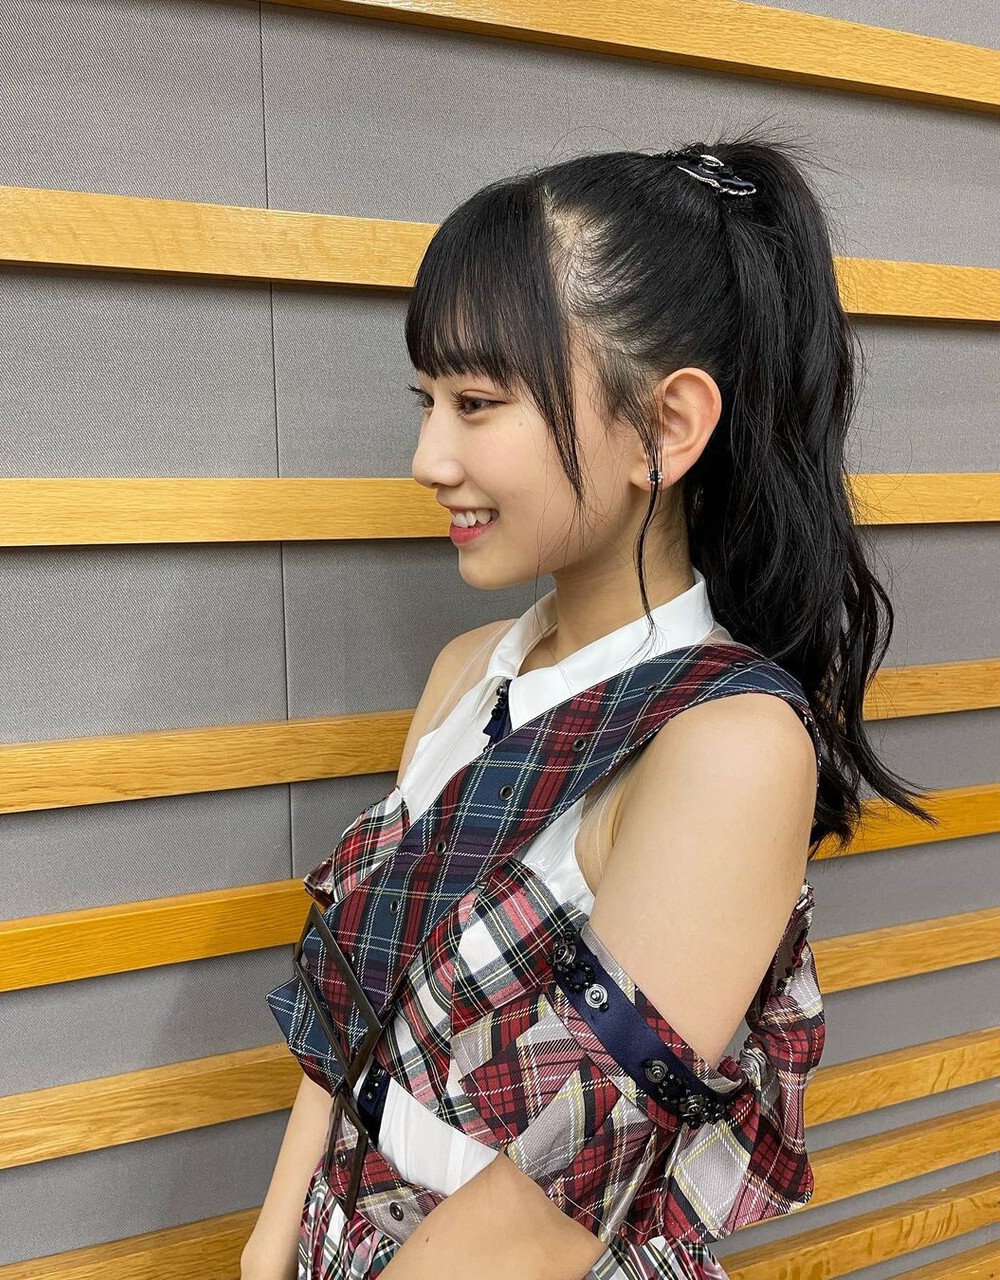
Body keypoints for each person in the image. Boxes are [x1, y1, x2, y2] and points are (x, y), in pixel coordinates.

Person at [242, 130, 938, 1280]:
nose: (427, 455)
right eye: (427, 399)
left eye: (477, 401)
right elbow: (354, 1006)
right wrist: (271, 1242)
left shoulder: (727, 744)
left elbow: (552, 1203)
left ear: (664, 426)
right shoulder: (467, 669)